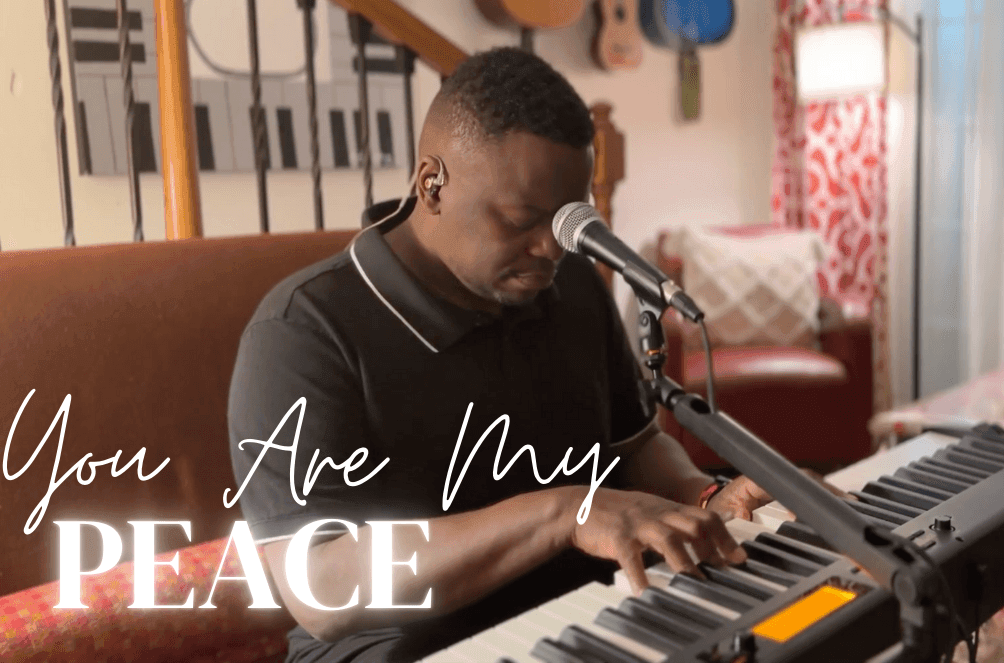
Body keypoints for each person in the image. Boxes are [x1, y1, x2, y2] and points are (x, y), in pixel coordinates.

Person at [228, 48, 789, 663]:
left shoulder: (572, 285)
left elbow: (634, 447)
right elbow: (321, 589)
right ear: (432, 184)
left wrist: (701, 496)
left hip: (583, 609)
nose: (552, 248)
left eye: (567, 220)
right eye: (523, 219)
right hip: (404, 647)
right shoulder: (303, 331)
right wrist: (563, 513)